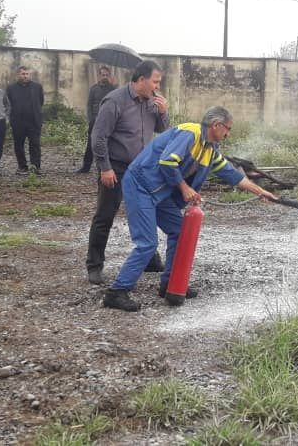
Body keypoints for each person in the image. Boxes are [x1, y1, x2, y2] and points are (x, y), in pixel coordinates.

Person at [103, 106, 276, 312]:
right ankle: (117, 292)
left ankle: (170, 284)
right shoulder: (190, 133)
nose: (228, 134)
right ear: (216, 125)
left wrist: (260, 192)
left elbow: (233, 175)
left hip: (160, 192)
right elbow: (167, 162)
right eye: (227, 129)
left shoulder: (210, 150)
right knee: (147, 243)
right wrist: (185, 189)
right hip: (141, 186)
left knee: (180, 231)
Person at [85, 60, 169, 285]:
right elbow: (98, 137)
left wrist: (163, 112)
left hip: (142, 168)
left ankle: (151, 259)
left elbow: (162, 129)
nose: (157, 87)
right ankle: (94, 265)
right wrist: (105, 168)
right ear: (141, 80)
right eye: (155, 82)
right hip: (117, 168)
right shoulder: (115, 101)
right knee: (104, 216)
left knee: (146, 211)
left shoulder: (152, 101)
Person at [75, 65, 116, 173]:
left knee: (108, 145)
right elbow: (89, 105)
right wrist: (90, 119)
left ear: (110, 76)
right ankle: (86, 167)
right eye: (103, 75)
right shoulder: (94, 89)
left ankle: (106, 167)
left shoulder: (114, 89)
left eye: (107, 75)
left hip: (108, 122)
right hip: (95, 121)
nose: (105, 77)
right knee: (90, 144)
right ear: (99, 76)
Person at [6, 66, 44, 176]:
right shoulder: (11, 88)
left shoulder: (37, 87)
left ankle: (35, 166)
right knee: (18, 145)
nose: (25, 76)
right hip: (18, 121)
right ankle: (22, 167)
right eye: (23, 74)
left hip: (34, 121)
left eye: (27, 74)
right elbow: (9, 103)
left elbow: (40, 101)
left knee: (35, 144)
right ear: (18, 75)